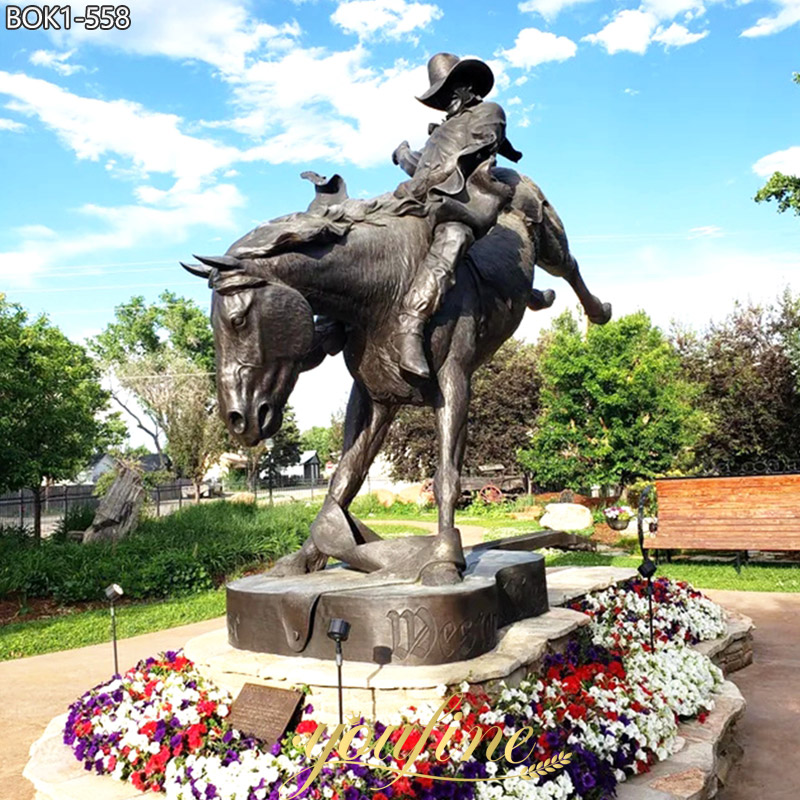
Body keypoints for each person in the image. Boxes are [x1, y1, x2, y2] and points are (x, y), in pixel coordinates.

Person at [391, 52, 523, 379]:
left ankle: (411, 324)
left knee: (453, 236)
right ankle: (332, 326)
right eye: (439, 95)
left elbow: (475, 151)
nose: (444, 100)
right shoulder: (438, 132)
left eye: (449, 91)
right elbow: (422, 167)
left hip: (462, 201)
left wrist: (427, 180)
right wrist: (404, 155)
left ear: (467, 87)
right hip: (422, 198)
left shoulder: (489, 113)